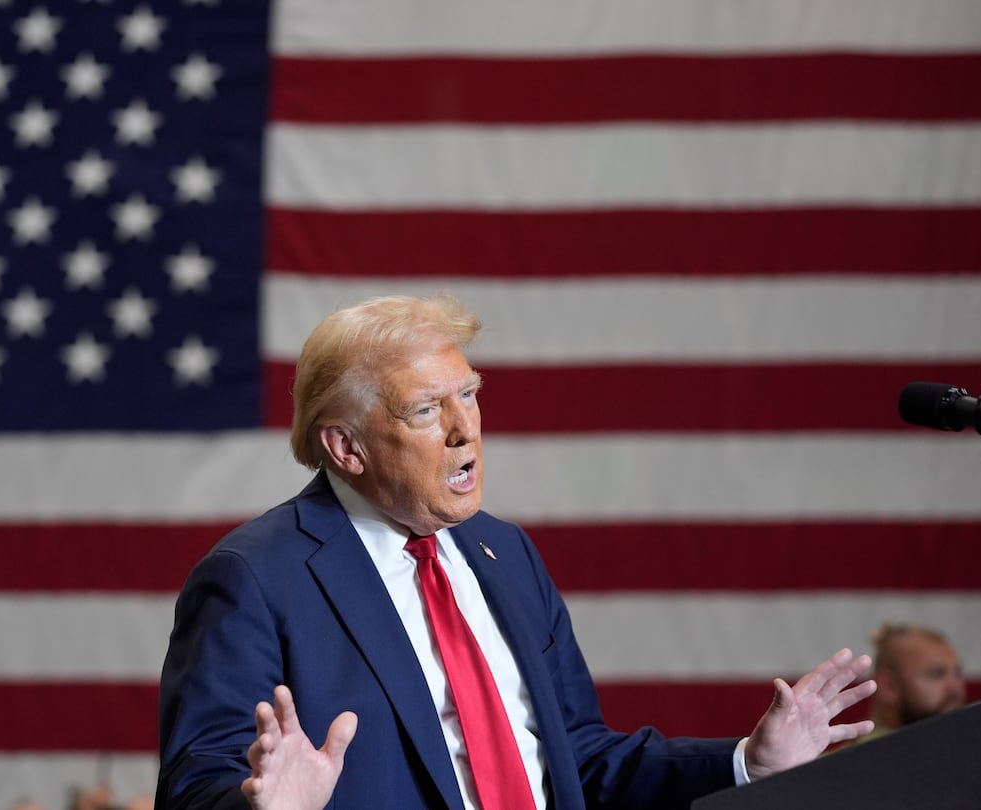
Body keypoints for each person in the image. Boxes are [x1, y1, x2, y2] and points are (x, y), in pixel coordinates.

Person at [156, 293, 877, 810]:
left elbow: (581, 758)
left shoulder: (503, 552)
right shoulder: (256, 577)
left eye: (469, 395)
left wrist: (746, 764)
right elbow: (195, 785)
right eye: (427, 409)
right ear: (345, 447)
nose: (466, 430)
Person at [859, 622, 966, 743]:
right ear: (888, 685)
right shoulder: (850, 761)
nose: (955, 688)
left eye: (958, 673)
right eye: (936, 674)